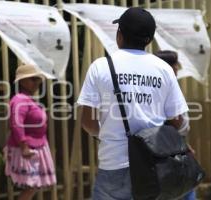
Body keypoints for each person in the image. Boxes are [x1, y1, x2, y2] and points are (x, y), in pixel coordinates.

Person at [77, 7, 189, 200]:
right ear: (149, 39)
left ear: (119, 34)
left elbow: (87, 121)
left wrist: (104, 133)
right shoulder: (164, 69)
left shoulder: (101, 66)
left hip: (113, 164)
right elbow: (178, 121)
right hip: (155, 164)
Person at [3, 64, 56, 200]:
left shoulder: (28, 100)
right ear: (22, 81)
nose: (36, 83)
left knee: (34, 185)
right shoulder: (19, 100)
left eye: (38, 79)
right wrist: (24, 147)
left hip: (36, 147)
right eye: (33, 79)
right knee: (32, 185)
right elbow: (16, 124)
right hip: (28, 150)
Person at [154, 50, 196, 200]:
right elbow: (175, 120)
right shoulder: (166, 88)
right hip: (170, 148)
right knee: (184, 188)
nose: (177, 68)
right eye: (174, 64)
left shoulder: (162, 86)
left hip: (172, 146)